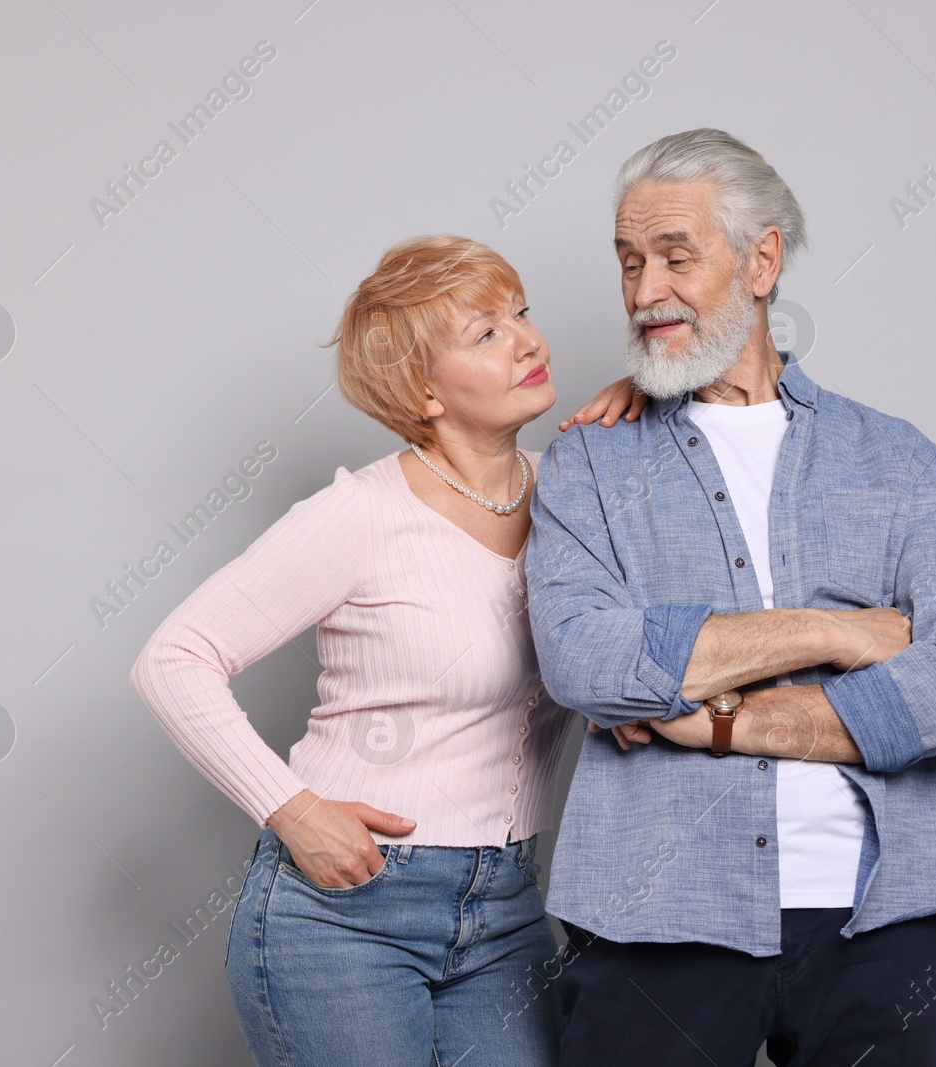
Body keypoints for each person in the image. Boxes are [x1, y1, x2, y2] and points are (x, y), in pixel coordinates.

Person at [525, 128, 936, 1066]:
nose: (643, 291)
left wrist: (707, 716)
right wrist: (837, 630)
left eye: (675, 255)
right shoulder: (587, 461)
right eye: (628, 262)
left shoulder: (899, 460)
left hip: (885, 915)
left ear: (762, 258)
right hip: (655, 910)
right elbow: (588, 663)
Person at [128, 235, 645, 1067]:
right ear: (422, 391)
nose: (528, 341)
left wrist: (655, 400)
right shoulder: (362, 513)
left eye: (520, 312)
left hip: (509, 906)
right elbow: (172, 658)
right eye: (485, 334)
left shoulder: (577, 498)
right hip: (347, 910)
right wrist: (295, 812)